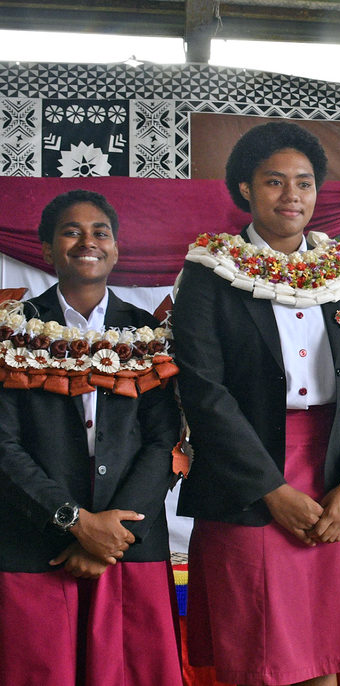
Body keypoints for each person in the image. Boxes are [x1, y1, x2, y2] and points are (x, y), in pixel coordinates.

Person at [173, 122, 340, 686]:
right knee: (259, 659)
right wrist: (271, 489)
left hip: (334, 471)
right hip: (249, 478)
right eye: (274, 181)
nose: (291, 195)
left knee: (324, 655)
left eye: (304, 182)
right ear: (246, 188)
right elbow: (203, 391)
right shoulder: (210, 271)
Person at [0, 190, 182, 685]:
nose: (88, 241)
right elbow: (4, 447)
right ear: (46, 249)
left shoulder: (150, 333)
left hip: (129, 544)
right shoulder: (11, 329)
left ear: (116, 249)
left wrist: (108, 538)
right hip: (34, 541)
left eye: (100, 232)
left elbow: (166, 442)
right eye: (71, 231)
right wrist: (75, 522)